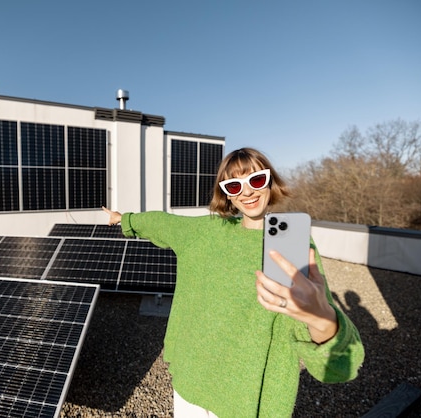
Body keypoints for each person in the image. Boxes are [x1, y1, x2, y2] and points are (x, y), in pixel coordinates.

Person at [102, 147, 364, 418]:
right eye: (234, 185)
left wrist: (323, 320)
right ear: (225, 192)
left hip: (244, 400)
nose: (247, 191)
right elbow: (162, 223)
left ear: (270, 180)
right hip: (191, 381)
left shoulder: (294, 247)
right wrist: (125, 219)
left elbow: (337, 366)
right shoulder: (205, 232)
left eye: (256, 180)